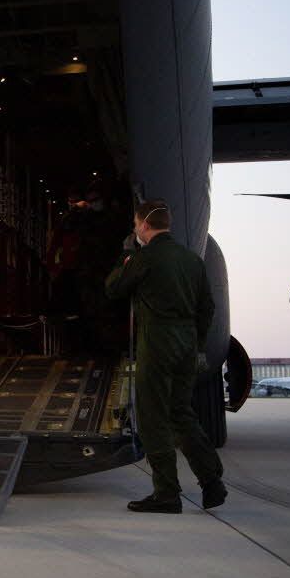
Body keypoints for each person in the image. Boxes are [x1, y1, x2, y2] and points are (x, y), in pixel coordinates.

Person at [104, 199, 225, 514]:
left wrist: (127, 255)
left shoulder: (145, 258)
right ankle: (211, 480)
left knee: (153, 417)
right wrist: (196, 342)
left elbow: (113, 288)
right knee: (181, 413)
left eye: (135, 225)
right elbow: (207, 307)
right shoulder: (191, 260)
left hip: (158, 341)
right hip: (187, 343)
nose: (135, 230)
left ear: (143, 225)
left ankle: (167, 493)